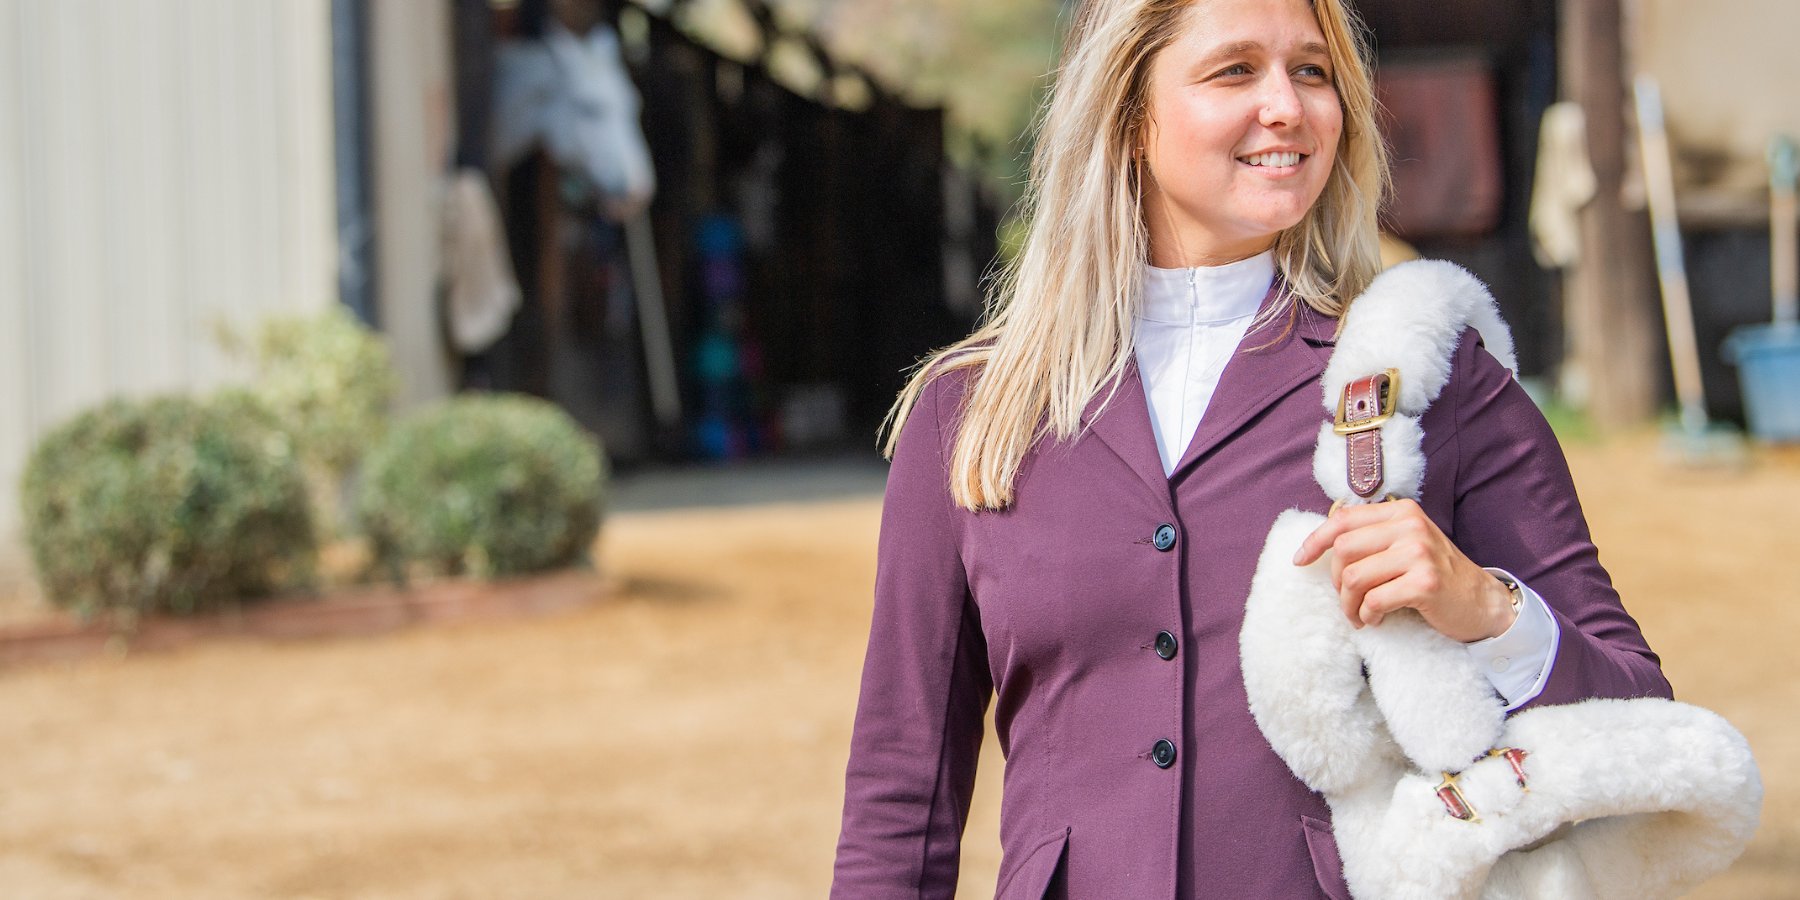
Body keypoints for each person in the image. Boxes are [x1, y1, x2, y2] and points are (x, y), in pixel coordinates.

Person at [830, 0, 1671, 897]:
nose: (1287, 106)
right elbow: (900, 797)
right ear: (1128, 112)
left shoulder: (1428, 378)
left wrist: (1484, 607)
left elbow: (1640, 720)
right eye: (1236, 70)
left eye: (1311, 71)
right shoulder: (971, 413)